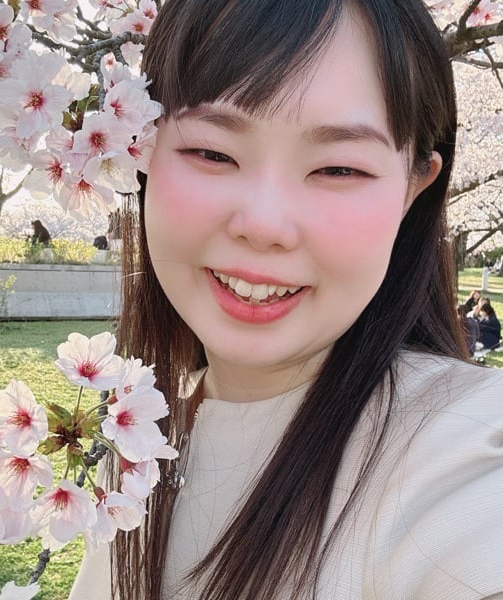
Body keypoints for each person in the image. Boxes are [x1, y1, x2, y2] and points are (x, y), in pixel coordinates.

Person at [70, 1, 503, 599]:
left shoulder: (463, 452)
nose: (264, 225)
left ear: (413, 188)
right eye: (212, 153)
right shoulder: (139, 433)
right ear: (138, 149)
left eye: (339, 169)